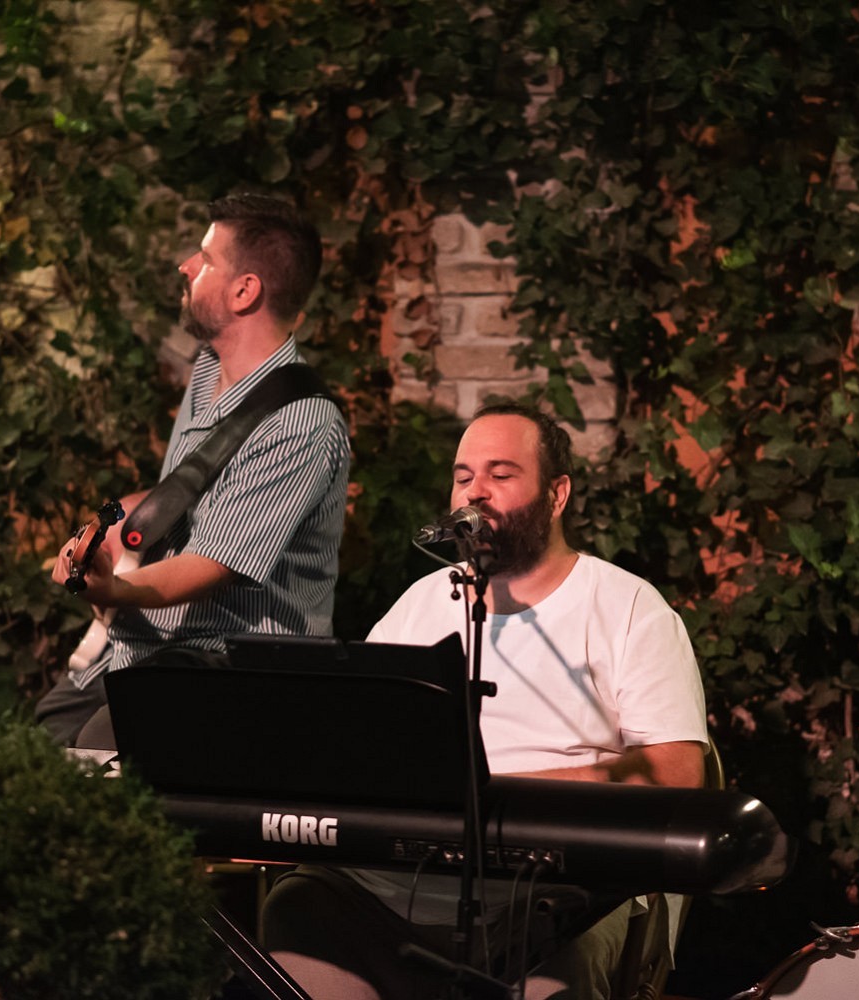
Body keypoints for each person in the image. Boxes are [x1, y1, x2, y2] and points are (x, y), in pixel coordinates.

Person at [262, 403, 710, 999]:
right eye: (463, 476)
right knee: (298, 905)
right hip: (394, 889)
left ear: (557, 495)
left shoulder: (628, 606)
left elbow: (677, 773)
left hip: (557, 892)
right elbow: (355, 743)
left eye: (501, 474)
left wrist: (495, 791)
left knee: (567, 955)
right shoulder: (419, 605)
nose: (475, 492)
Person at [36, 193, 351, 747]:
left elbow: (210, 565)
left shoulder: (301, 422)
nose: (186, 266)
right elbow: (189, 497)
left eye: (205, 259)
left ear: (245, 291)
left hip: (229, 667)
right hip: (147, 649)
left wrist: (114, 587)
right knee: (39, 744)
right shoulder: (209, 369)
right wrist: (104, 532)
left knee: (96, 753)